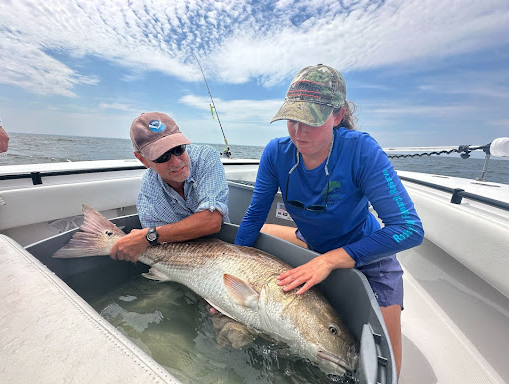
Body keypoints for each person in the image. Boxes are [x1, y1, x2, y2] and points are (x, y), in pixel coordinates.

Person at [234, 64, 424, 377]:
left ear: (338, 116)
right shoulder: (275, 153)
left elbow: (409, 230)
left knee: (383, 367)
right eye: (292, 119)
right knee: (259, 233)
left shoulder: (362, 150)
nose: (298, 132)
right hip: (312, 244)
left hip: (368, 255)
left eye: (311, 120)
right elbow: (254, 215)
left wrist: (331, 261)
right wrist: (236, 265)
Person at [110, 112, 229, 261]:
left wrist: (147, 236)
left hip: (225, 250)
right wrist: (146, 238)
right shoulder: (149, 189)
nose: (176, 162)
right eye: (162, 156)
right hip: (179, 258)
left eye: (178, 149)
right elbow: (161, 246)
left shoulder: (205, 157)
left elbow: (211, 222)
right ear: (143, 160)